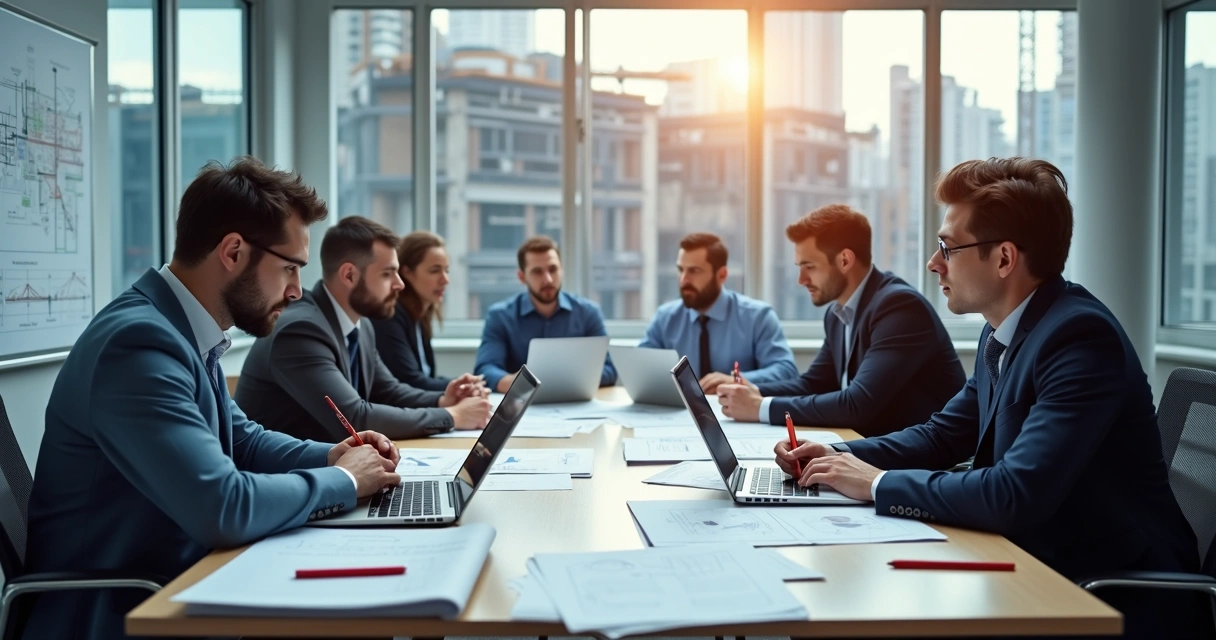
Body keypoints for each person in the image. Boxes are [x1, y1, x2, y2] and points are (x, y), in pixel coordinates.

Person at [774, 158, 1210, 639]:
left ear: (1004, 259)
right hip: (1034, 560)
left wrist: (876, 484)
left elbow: (1015, 492)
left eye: (947, 247)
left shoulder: (1080, 338)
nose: (932, 262)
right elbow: (943, 434)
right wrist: (836, 455)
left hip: (1110, 591)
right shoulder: (1002, 332)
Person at [21, 157, 403, 640]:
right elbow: (224, 507)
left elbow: (241, 439)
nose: (295, 290)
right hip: (118, 610)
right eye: (289, 267)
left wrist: (332, 454)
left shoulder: (179, 329)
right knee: (355, 618)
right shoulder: (138, 344)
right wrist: (344, 480)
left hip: (177, 580)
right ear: (234, 251)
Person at [236, 217, 490, 443]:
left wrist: (442, 399)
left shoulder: (361, 324)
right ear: (349, 275)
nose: (400, 284)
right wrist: (452, 416)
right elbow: (355, 418)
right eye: (387, 274)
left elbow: (389, 390)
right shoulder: (301, 331)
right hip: (284, 480)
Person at [717, 205, 965, 436]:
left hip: (929, 463)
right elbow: (814, 383)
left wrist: (760, 407)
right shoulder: (837, 313)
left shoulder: (900, 308)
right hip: (873, 448)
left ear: (845, 260)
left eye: (809, 266)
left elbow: (857, 405)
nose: (801, 280)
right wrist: (749, 392)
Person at [638, 232, 797, 393]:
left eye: (694, 271)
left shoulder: (757, 317)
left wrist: (736, 380)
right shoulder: (665, 318)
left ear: (722, 275)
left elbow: (786, 371)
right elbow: (640, 367)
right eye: (681, 270)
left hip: (738, 413)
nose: (684, 279)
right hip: (676, 414)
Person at [475, 235, 616, 393]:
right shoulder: (500, 316)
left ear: (561, 270)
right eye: (537, 272)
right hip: (525, 407)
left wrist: (564, 381)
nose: (548, 279)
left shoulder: (588, 313)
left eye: (553, 269)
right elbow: (485, 370)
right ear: (522, 277)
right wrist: (515, 383)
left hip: (576, 406)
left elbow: (610, 370)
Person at [370, 231, 474, 391]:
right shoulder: (390, 315)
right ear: (407, 273)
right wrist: (464, 387)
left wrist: (466, 383)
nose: (445, 279)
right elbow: (410, 382)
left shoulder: (420, 314)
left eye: (446, 270)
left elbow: (426, 378)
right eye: (435, 270)